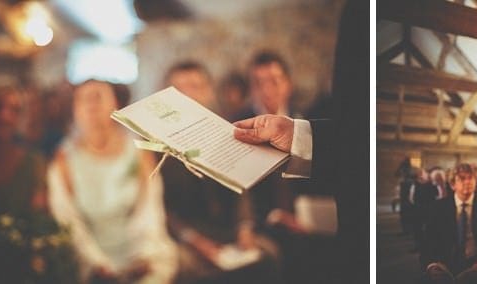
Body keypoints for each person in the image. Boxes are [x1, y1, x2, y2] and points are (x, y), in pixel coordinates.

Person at [232, 2, 369, 282]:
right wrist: (272, 217)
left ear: (288, 83)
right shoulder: (239, 124)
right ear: (251, 89)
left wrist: (309, 219)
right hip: (266, 224)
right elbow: (239, 190)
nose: (268, 90)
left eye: (275, 80)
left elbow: (336, 165)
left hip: (313, 219)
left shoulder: (311, 117)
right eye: (260, 83)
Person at [46, 79, 177, 283]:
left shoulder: (139, 151)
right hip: (90, 256)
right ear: (74, 110)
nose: (91, 105)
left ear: (115, 105)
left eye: (98, 97)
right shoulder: (63, 160)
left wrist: (142, 256)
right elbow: (69, 221)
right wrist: (99, 264)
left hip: (141, 251)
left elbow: (149, 211)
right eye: (83, 100)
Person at [162, 62, 281, 283]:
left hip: (228, 230)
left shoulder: (226, 132)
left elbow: (241, 186)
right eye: (179, 89)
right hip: (186, 236)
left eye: (196, 86)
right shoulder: (155, 146)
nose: (188, 95)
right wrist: (194, 239)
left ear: (208, 91)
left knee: (268, 253)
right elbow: (162, 208)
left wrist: (244, 228)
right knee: (183, 265)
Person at [0, 75, 49, 282]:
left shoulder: (34, 164)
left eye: (14, 110)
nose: (4, 116)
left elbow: (39, 222)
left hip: (20, 271)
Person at [420, 163, 477, 282]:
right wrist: (431, 265)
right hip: (445, 264)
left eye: (470, 178)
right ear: (453, 184)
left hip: (476, 263)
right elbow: (427, 241)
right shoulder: (438, 207)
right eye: (462, 178)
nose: (467, 182)